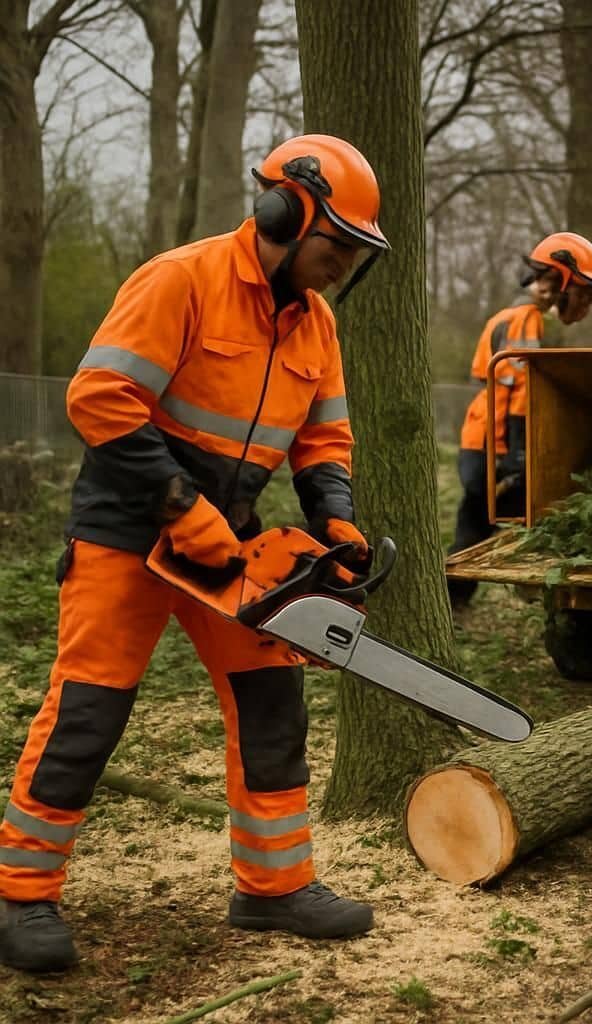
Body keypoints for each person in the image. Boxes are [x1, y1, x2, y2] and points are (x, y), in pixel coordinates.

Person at [0, 134, 390, 973]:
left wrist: (338, 522)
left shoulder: (317, 322)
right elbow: (100, 397)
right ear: (284, 214)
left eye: (356, 253)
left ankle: (273, 887)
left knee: (270, 700)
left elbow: (323, 438)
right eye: (336, 246)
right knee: (87, 713)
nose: (341, 267)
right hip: (126, 526)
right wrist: (177, 503)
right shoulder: (183, 278)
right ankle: (20, 894)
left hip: (230, 536)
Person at [448, 232, 592, 608]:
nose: (587, 304)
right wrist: (519, 456)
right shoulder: (525, 320)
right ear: (560, 284)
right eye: (584, 293)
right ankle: (540, 594)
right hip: (496, 440)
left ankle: (454, 599)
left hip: (491, 437)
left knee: (474, 522)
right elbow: (519, 390)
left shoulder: (529, 319)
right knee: (537, 513)